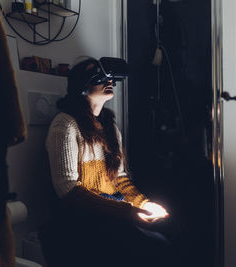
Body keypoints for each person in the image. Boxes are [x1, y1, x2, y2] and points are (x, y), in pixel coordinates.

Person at [40, 57, 179, 267]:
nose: (110, 82)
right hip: (83, 220)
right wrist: (126, 212)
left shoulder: (110, 128)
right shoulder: (65, 125)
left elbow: (120, 179)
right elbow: (68, 190)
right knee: (153, 251)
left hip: (115, 214)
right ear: (82, 87)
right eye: (101, 78)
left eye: (111, 78)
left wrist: (144, 203)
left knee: (168, 240)